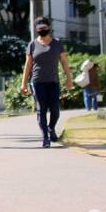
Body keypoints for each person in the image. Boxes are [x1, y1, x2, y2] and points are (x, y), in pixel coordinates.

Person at [20, 17, 72, 148]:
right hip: (37, 82)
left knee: (55, 110)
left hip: (53, 81)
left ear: (49, 28)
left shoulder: (57, 43)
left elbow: (64, 62)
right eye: (39, 29)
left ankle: (51, 128)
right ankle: (45, 137)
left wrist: (69, 79)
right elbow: (28, 65)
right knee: (41, 110)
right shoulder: (32, 45)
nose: (42, 30)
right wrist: (24, 83)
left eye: (44, 28)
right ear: (36, 29)